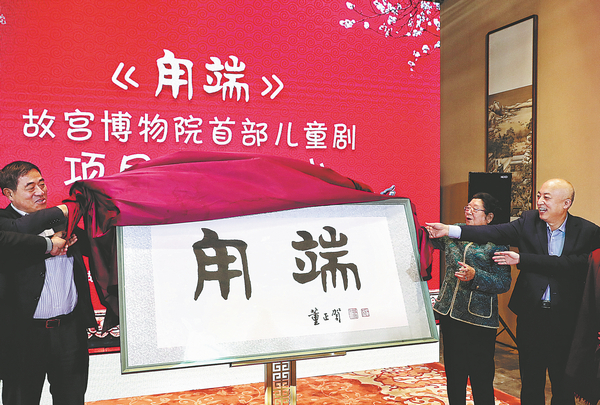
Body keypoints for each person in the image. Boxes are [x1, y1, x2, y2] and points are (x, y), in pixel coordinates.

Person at [426, 179, 600, 405]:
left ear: (566, 203)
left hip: (566, 318)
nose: (540, 202)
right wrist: (449, 229)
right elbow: (493, 231)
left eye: (546, 197)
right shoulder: (528, 221)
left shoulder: (588, 232)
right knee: (531, 381)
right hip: (531, 316)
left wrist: (523, 259)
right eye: (539, 196)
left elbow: (576, 265)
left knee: (563, 384)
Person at [0, 161, 97, 405]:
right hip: (23, 335)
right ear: (9, 193)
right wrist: (49, 245)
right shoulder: (4, 222)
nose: (40, 191)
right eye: (30, 187)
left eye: (42, 184)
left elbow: (97, 246)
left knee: (71, 398)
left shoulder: (63, 222)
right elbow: (15, 244)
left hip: (69, 333)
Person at [432, 192, 511, 405]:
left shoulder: (497, 243)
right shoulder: (454, 232)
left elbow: (503, 283)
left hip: (479, 321)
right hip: (450, 314)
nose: (469, 212)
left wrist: (476, 275)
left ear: (489, 217)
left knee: (481, 376)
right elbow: (429, 240)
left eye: (475, 209)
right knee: (454, 373)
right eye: (468, 208)